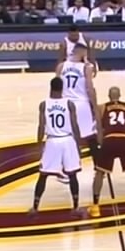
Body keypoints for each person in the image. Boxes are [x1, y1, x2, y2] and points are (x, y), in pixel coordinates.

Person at [88, 86, 125, 218]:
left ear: (109, 96)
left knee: (99, 173)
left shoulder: (102, 107)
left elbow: (99, 127)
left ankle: (95, 206)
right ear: (120, 95)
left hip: (109, 140)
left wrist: (101, 143)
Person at [30, 76, 83, 214]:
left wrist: (39, 144)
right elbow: (75, 125)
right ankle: (76, 207)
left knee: (43, 175)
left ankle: (35, 207)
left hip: (52, 141)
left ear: (51, 87)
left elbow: (41, 126)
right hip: (67, 140)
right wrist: (78, 144)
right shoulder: (69, 104)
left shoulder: (44, 104)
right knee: (72, 175)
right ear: (62, 88)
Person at [57, 43, 98, 168]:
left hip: (65, 104)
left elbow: (56, 86)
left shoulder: (61, 66)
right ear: (83, 53)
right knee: (90, 136)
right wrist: (95, 106)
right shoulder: (86, 67)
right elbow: (89, 88)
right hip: (82, 104)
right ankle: (98, 166)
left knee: (68, 136)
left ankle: (69, 166)